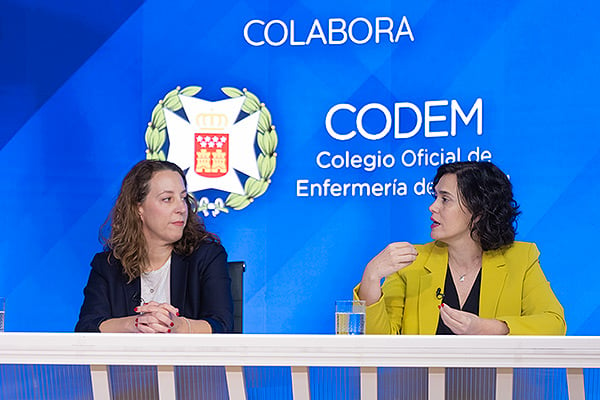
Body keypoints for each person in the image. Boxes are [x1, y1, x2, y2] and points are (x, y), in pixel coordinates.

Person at [355, 161, 566, 335]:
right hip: (422, 386)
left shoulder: (521, 258)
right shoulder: (412, 262)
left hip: (499, 386)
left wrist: (485, 327)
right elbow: (378, 342)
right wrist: (371, 276)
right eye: (435, 197)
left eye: (445, 199)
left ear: (479, 211)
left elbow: (554, 325)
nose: (433, 207)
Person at [75, 160, 233, 333]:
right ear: (138, 208)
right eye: (167, 199)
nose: (181, 208)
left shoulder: (207, 256)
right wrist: (135, 324)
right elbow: (87, 328)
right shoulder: (108, 265)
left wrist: (177, 326)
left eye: (183, 198)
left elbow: (222, 326)